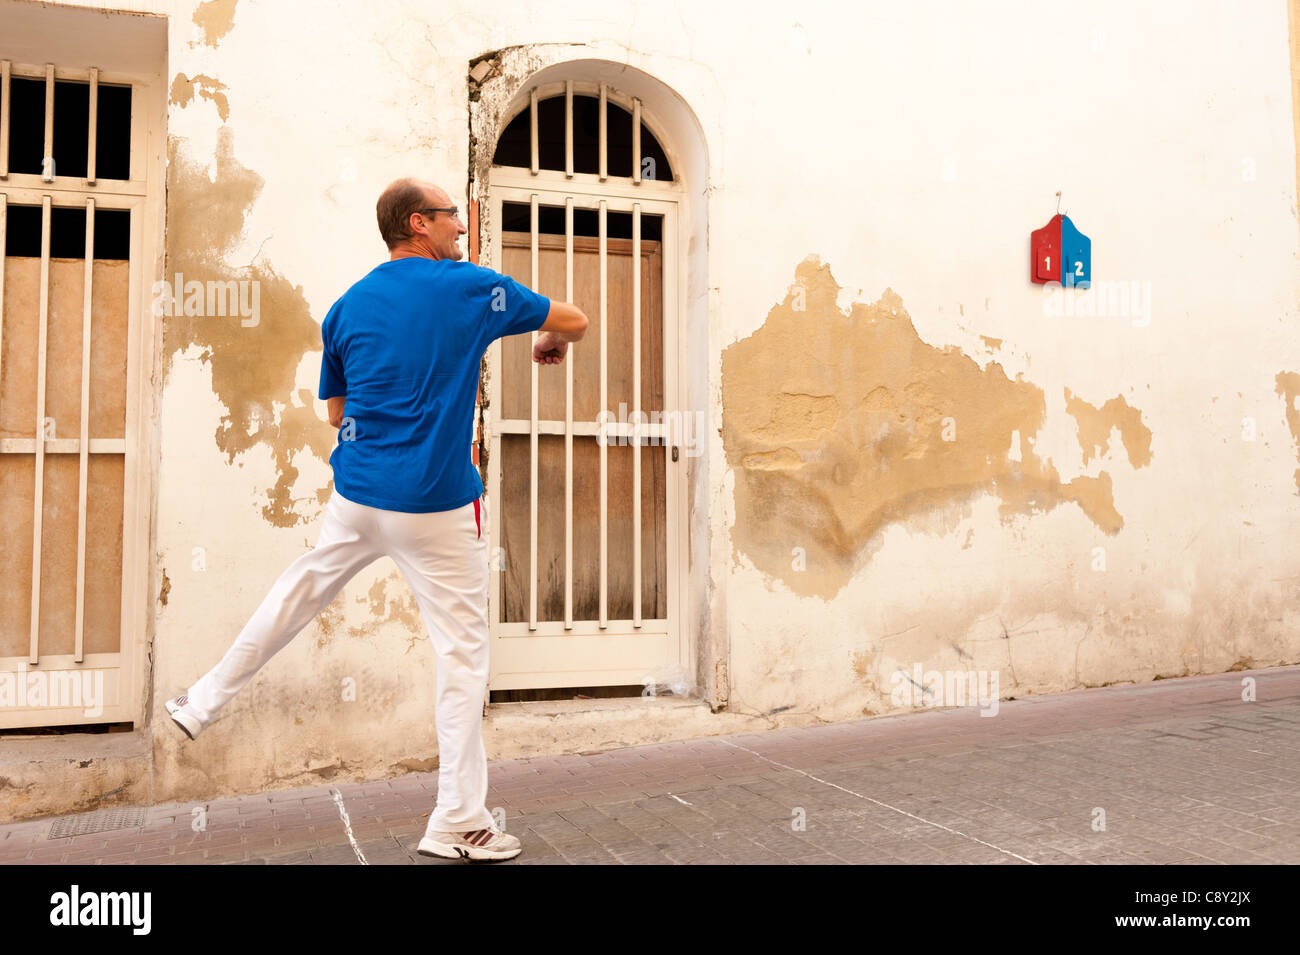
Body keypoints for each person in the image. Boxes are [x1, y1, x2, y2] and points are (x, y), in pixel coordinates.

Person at [164, 177, 589, 862]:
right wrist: (550, 340)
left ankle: (200, 701)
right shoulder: (473, 289)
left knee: (295, 594)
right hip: (438, 504)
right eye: (453, 216)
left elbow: (336, 412)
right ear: (419, 223)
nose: (462, 226)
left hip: (359, 497)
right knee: (461, 655)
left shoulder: (346, 306)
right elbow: (575, 320)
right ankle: (459, 820)